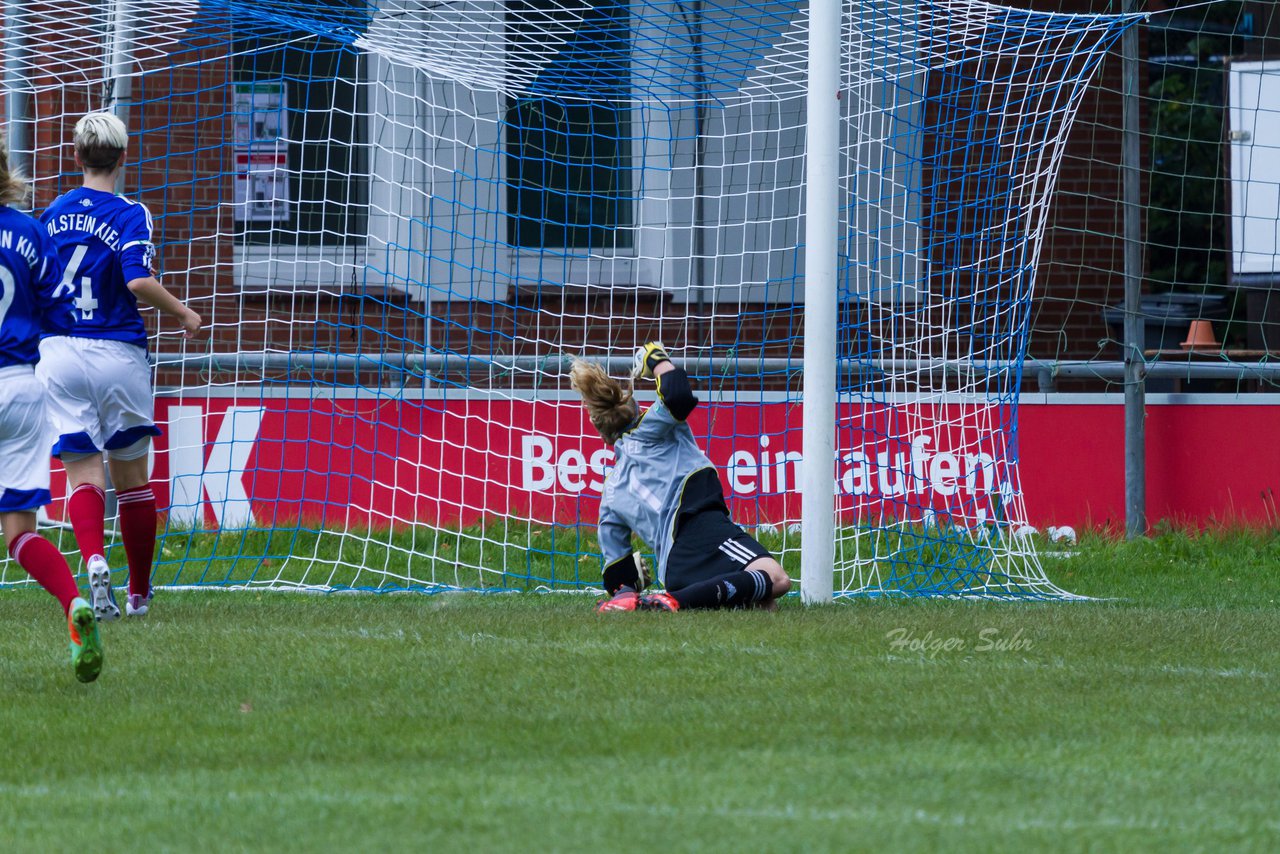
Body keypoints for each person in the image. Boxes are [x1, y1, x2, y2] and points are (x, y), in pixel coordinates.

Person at [37, 111, 202, 622]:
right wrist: (183, 312)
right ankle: (138, 593)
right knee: (132, 479)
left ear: (77, 156)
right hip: (117, 353)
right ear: (124, 158)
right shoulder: (132, 214)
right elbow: (136, 280)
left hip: (59, 351)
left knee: (82, 473)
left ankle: (91, 560)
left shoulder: (52, 213)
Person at [571, 342, 791, 612]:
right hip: (700, 530)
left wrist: (633, 581)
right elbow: (677, 396)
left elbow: (617, 577)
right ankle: (673, 601)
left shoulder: (610, 494)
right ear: (637, 410)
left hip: (675, 571)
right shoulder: (650, 429)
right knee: (776, 578)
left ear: (601, 432)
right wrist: (656, 358)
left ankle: (678, 598)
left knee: (765, 606)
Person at [0, 140, 104, 682]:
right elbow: (62, 306)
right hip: (20, 388)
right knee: (18, 531)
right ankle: (72, 604)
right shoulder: (30, 231)